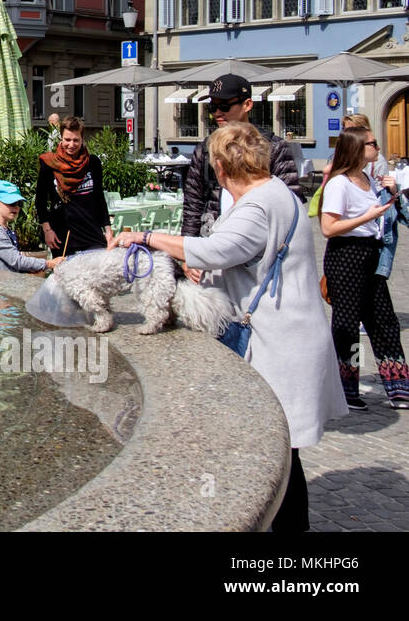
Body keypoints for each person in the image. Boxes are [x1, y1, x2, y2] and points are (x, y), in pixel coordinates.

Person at [113, 122, 346, 531]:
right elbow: (237, 254)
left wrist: (146, 237)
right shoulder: (275, 193)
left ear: (220, 166)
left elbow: (214, 250)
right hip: (286, 335)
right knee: (278, 449)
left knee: (276, 449)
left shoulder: (259, 203)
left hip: (279, 343)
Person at [320, 128, 409, 410]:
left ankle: (398, 387)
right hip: (345, 255)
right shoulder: (339, 184)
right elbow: (328, 228)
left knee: (384, 321)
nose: (378, 147)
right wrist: (366, 217)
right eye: (372, 143)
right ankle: (347, 389)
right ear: (358, 147)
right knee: (346, 324)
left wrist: (392, 194)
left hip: (370, 254)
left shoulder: (368, 179)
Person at [182, 74, 301, 237]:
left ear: (247, 104)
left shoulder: (273, 147)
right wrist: (188, 251)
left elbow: (291, 203)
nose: (217, 113)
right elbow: (193, 205)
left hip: (259, 243)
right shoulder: (205, 149)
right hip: (213, 241)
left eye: (224, 106)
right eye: (212, 107)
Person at [36, 116, 112, 255]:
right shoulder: (49, 164)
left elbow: (99, 198)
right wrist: (47, 231)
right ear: (61, 139)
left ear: (82, 139)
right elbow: (40, 202)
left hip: (91, 232)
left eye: (76, 140)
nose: (71, 144)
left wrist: (108, 230)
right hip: (63, 235)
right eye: (67, 140)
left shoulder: (92, 163)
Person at [0, 181, 61, 273]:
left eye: (18, 204)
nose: (16, 207)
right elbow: (16, 260)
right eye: (11, 203)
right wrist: (49, 264)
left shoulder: (3, 229)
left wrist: (29, 269)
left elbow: (9, 263)